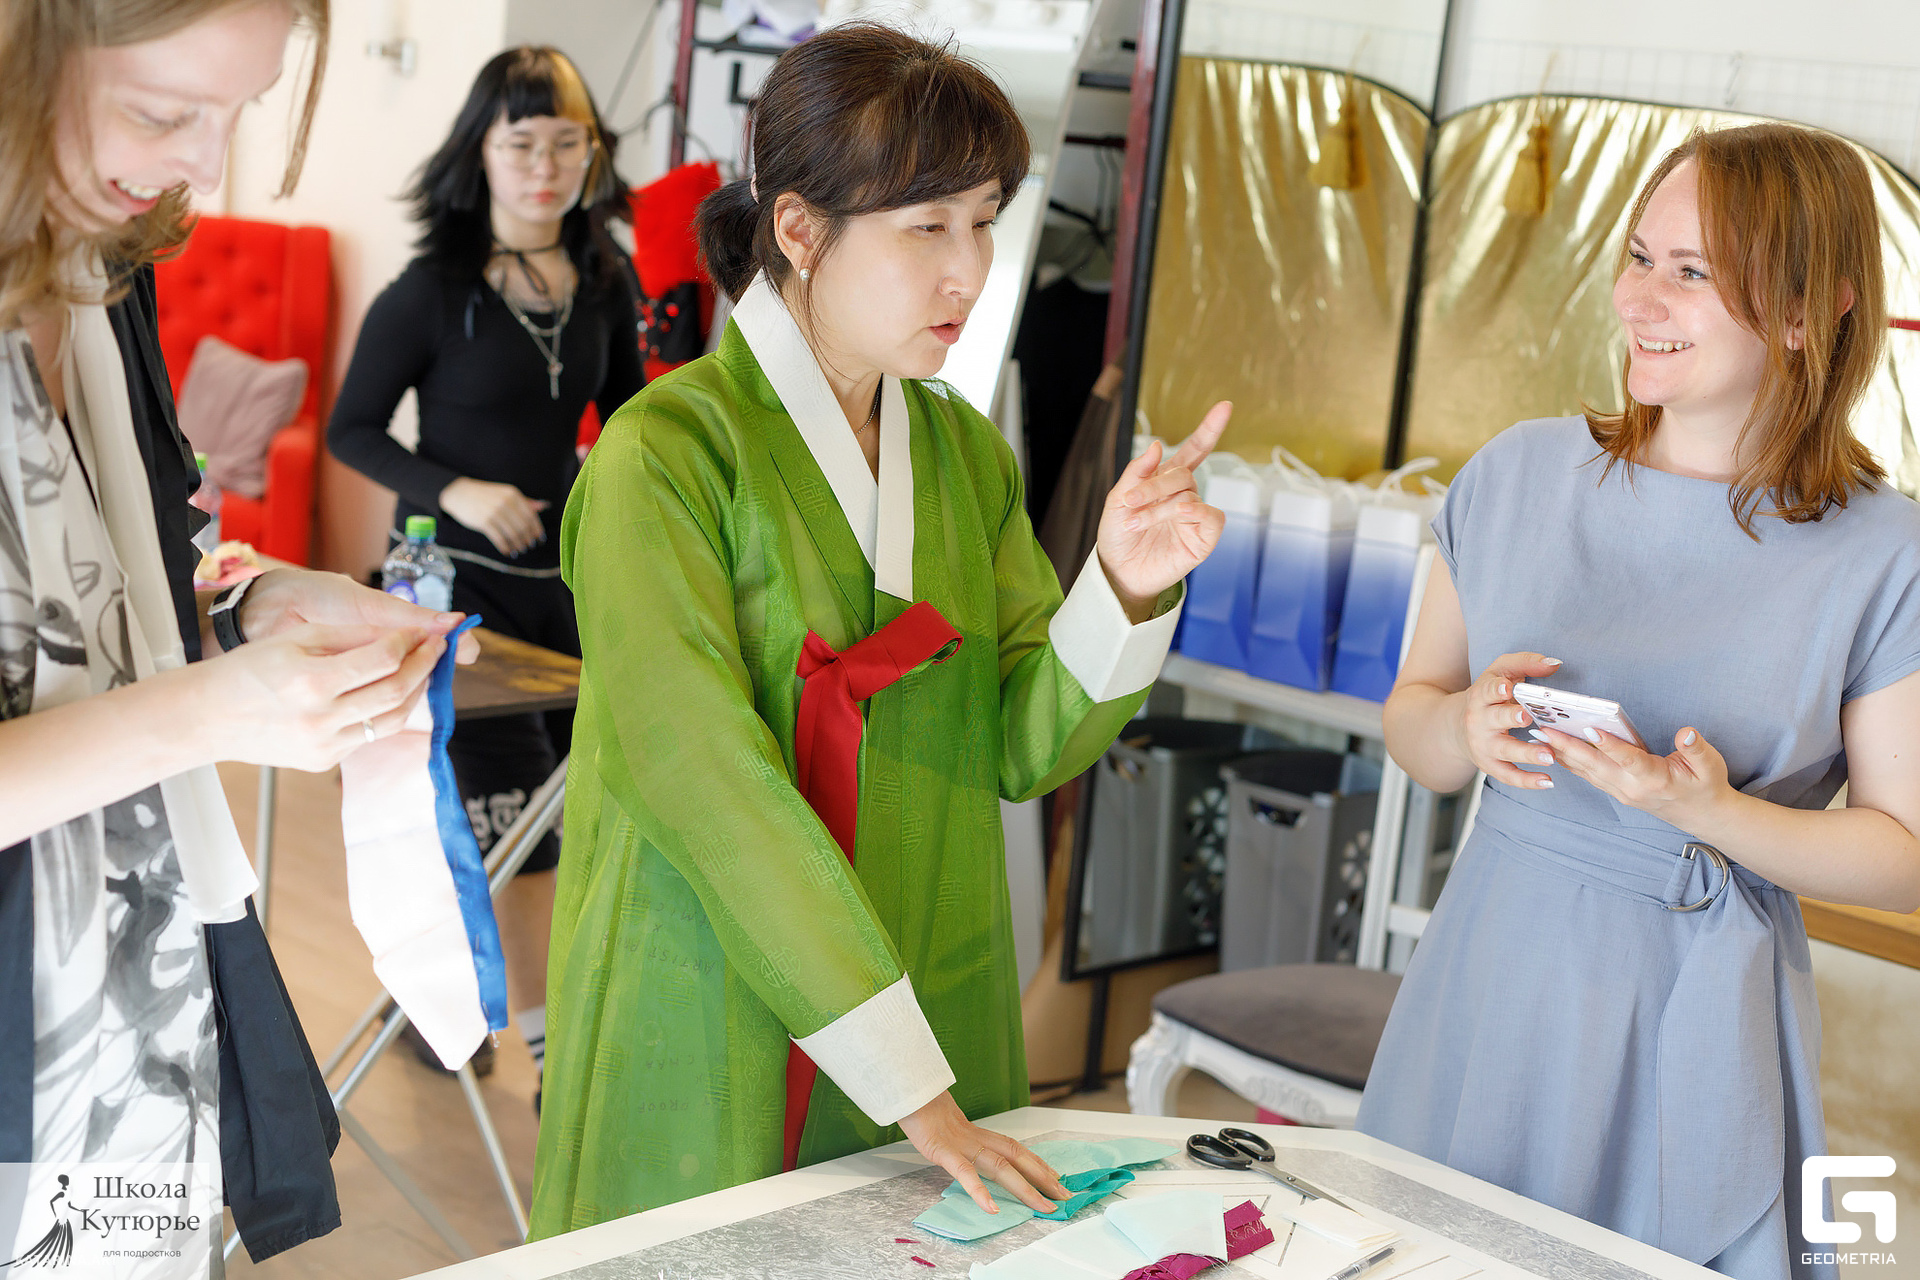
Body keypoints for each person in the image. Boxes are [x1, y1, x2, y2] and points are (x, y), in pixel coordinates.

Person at [530, 22, 1232, 1235]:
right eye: (927, 228)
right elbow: (702, 774)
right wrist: (910, 1086)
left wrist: (1119, 583)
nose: (969, 272)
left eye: (984, 222)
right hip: (712, 988)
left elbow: (1017, 743)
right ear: (800, 230)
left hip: (935, 972)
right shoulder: (666, 457)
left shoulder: (963, 451)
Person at [1358, 123, 1920, 1280]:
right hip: (1490, 977)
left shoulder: (1885, 554)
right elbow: (1413, 717)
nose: (1638, 298)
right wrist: (1461, 726)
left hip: (1694, 1007)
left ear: (1808, 311)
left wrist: (1709, 811)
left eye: (1692, 272)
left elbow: (1903, 855)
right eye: (1638, 256)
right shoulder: (1516, 473)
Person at [0, 0, 476, 1267]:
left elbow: (106, 585)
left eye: (239, 114)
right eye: (165, 112)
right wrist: (209, 711)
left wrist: (250, 607)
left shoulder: (99, 269)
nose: (204, 173)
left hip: (132, 1002)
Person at [328, 46, 643, 1092]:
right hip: (450, 589)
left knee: (565, 810)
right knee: (511, 823)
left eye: (566, 143)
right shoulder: (430, 292)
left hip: (565, 588)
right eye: (521, 144)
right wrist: (457, 487)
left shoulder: (606, 279)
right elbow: (352, 430)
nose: (545, 167)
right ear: (481, 153)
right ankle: (549, 1066)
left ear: (592, 153)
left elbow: (630, 420)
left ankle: (456, 1000)